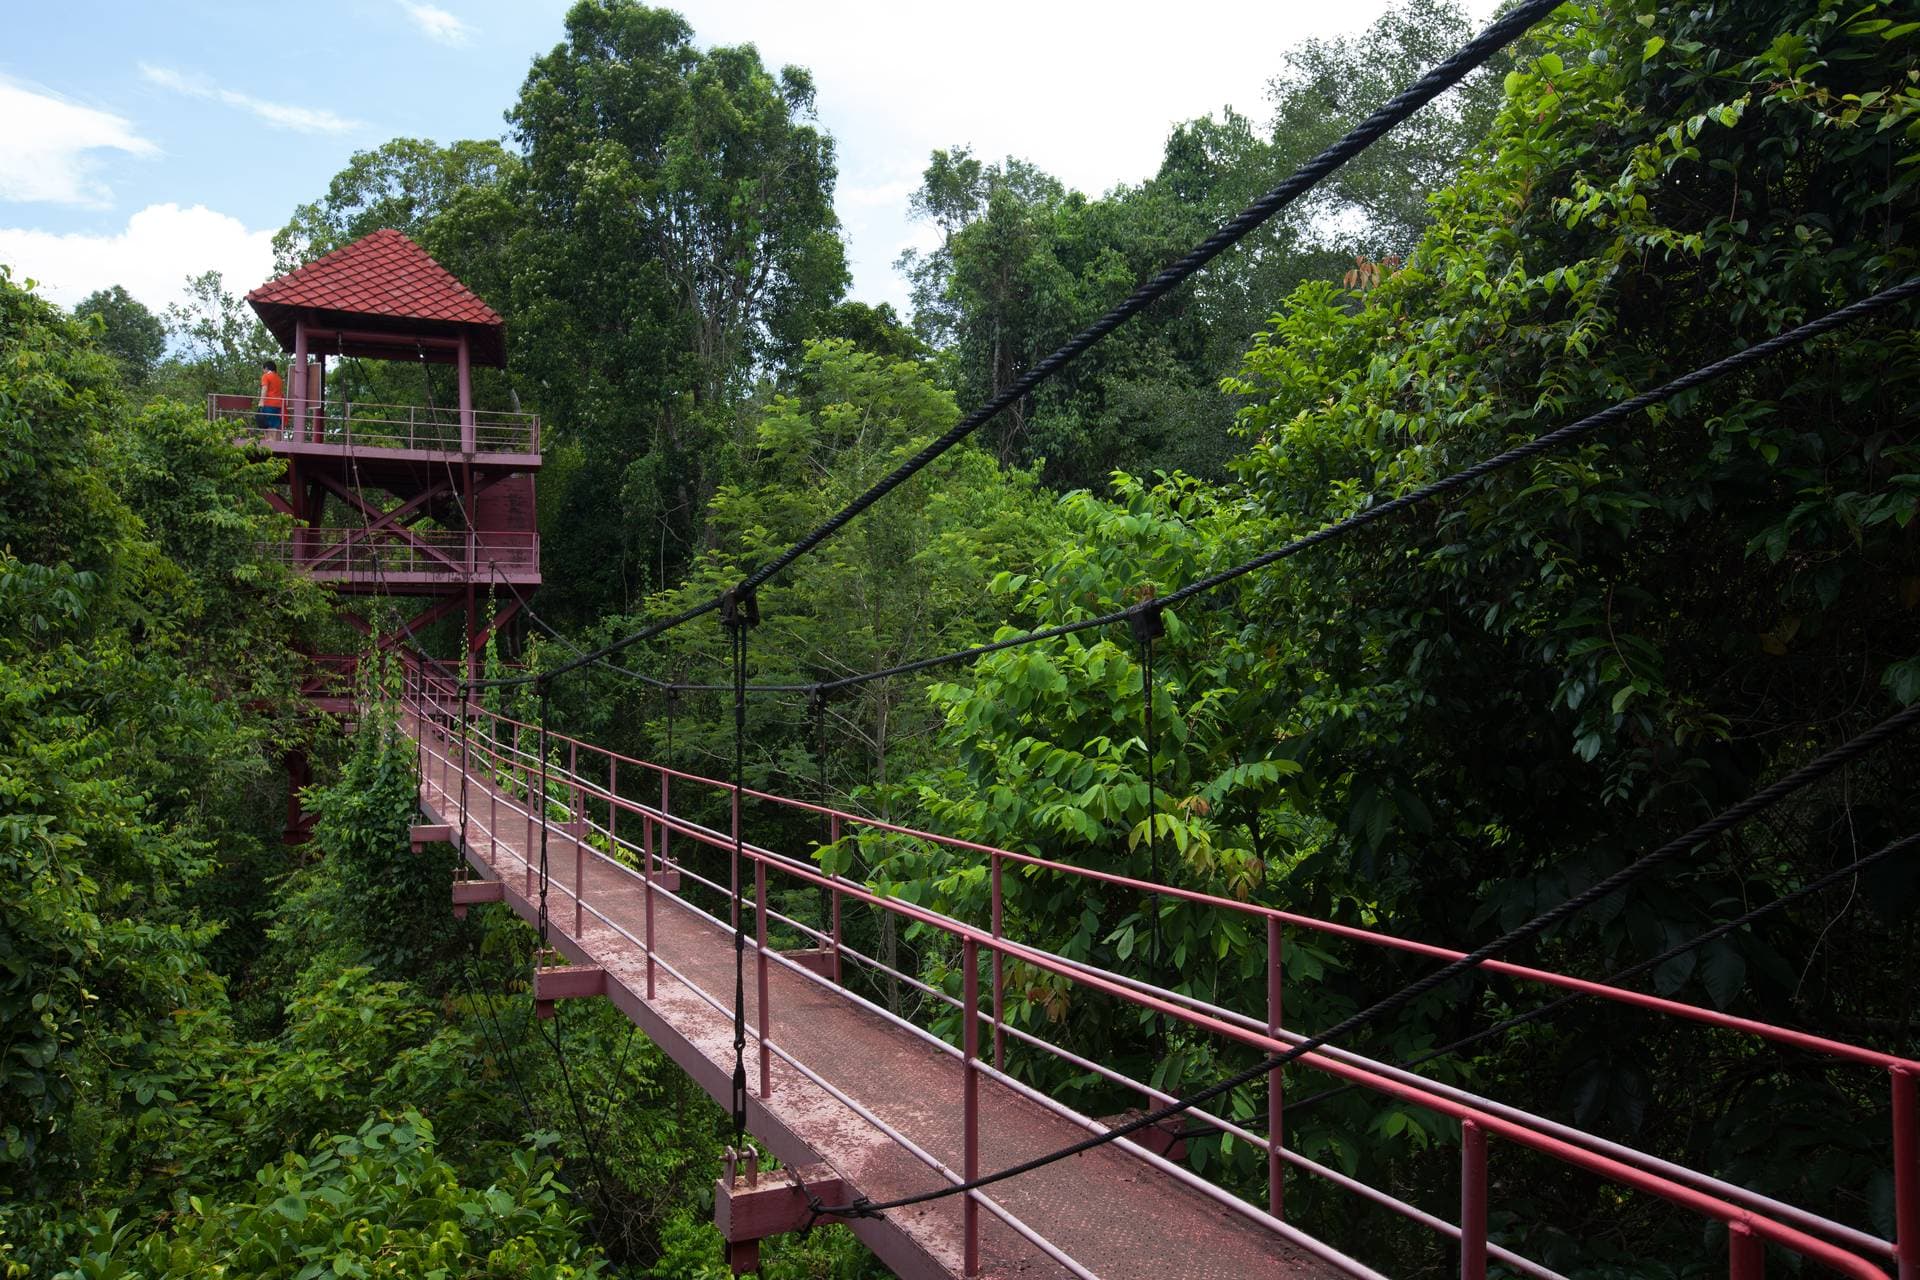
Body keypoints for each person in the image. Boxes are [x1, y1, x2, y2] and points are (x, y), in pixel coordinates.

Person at [256, 359, 286, 435]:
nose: (263, 371)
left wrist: (261, 401)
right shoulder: (279, 378)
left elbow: (264, 388)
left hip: (268, 404)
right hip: (278, 405)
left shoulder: (266, 376)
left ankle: (269, 441)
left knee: (266, 425)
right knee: (274, 425)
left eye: (263, 369)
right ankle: (274, 440)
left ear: (266, 368)